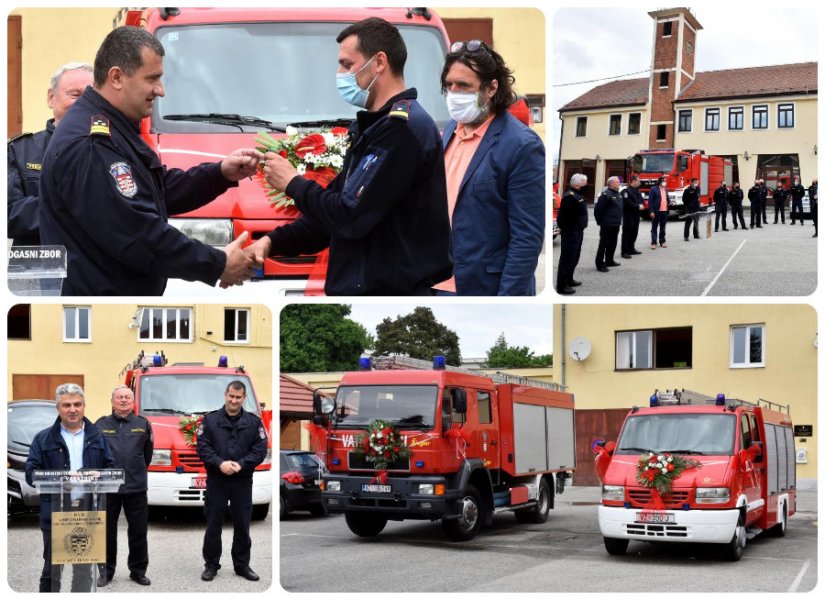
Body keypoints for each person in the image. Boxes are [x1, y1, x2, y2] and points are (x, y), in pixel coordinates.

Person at [39, 26, 260, 295]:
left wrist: (219, 174)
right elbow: (137, 234)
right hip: (104, 312)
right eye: (152, 78)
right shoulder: (91, 144)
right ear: (117, 77)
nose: (161, 90)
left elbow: (155, 191)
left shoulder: (113, 126)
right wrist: (218, 263)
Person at [249, 17, 452, 295]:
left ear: (379, 62)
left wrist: (293, 183)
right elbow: (328, 216)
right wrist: (271, 242)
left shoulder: (402, 129)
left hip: (389, 298)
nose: (339, 73)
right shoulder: (375, 126)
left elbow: (349, 218)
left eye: (347, 64)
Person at [432, 40, 544, 295]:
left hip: (481, 287)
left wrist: (508, 301)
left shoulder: (521, 146)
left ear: (491, 87)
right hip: (435, 282)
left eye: (463, 86)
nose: (454, 93)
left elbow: (526, 238)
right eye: (449, 85)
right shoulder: (450, 129)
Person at [25, 384, 115, 592]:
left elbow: (110, 468)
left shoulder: (98, 437)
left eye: (77, 404)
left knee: (83, 572)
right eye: (66, 405)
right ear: (58, 408)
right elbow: (31, 474)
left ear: (84, 406)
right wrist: (60, 478)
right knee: (51, 570)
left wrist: (99, 475)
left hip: (88, 513)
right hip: (55, 514)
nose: (72, 409)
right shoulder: (43, 438)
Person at [8, 62, 94, 247]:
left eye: (91, 97)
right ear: (51, 97)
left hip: (94, 271)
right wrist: (73, 206)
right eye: (75, 95)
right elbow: (8, 214)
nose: (83, 103)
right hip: (38, 268)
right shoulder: (20, 150)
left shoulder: (114, 150)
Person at [198, 381, 268, 582]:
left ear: (244, 398)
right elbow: (203, 447)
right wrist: (219, 463)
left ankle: (242, 565)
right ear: (225, 395)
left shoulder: (254, 423)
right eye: (231, 396)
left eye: (238, 397)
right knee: (213, 524)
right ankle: (211, 565)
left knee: (242, 524)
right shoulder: (210, 421)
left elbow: (260, 450)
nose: (234, 400)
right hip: (217, 480)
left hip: (242, 481)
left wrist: (242, 464)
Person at [94, 386, 153, 587]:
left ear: (133, 401)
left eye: (127, 397)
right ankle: (106, 572)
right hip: (108, 487)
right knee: (106, 531)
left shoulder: (143, 424)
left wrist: (136, 471)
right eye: (119, 397)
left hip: (135, 487)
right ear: (112, 401)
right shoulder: (101, 425)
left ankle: (137, 571)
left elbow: (147, 455)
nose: (123, 400)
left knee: (138, 531)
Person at [555, 173, 588, 295]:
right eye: (585, 182)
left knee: (575, 256)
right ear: (578, 184)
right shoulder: (570, 196)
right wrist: (562, 228)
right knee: (567, 258)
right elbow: (563, 216)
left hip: (577, 231)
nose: (586, 185)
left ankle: (569, 279)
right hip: (570, 231)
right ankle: (562, 286)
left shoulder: (578, 195)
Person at [593, 176, 623, 272]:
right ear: (611, 183)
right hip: (607, 224)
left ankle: (609, 260)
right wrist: (600, 222)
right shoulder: (606, 195)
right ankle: (600, 264)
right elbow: (598, 210)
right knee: (604, 244)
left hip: (615, 223)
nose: (619, 183)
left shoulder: (617, 193)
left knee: (613, 243)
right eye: (617, 182)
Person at [620, 175, 644, 258]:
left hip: (636, 215)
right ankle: (625, 252)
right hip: (628, 215)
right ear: (633, 181)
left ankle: (631, 249)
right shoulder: (626, 191)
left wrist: (641, 204)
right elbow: (626, 203)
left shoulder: (638, 191)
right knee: (627, 233)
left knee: (634, 233)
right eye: (638, 181)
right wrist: (637, 206)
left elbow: (641, 200)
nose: (640, 182)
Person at [649, 177, 669, 249]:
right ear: (660, 181)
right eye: (664, 181)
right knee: (654, 227)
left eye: (665, 181)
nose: (665, 182)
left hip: (664, 211)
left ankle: (662, 241)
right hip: (656, 211)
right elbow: (650, 201)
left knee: (663, 227)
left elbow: (667, 198)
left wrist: (669, 203)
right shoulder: (653, 189)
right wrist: (651, 211)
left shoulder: (666, 189)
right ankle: (653, 242)